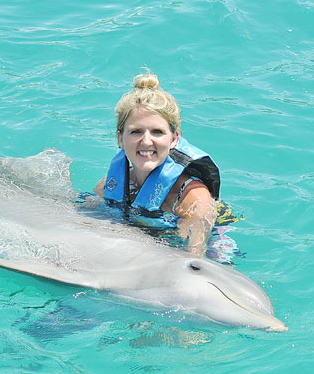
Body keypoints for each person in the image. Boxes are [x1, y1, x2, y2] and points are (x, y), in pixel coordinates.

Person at [91, 73, 224, 256]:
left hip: (208, 252)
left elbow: (194, 257)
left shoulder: (193, 199)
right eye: (136, 131)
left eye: (157, 132)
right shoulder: (106, 186)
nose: (146, 141)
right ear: (120, 139)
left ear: (174, 139)